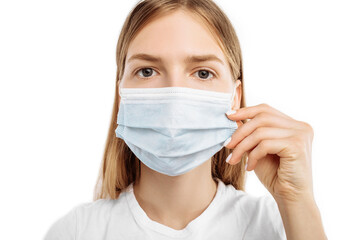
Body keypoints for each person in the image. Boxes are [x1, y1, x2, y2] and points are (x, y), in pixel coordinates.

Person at [44, 0, 328, 239]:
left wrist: (297, 199)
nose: (174, 96)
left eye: (203, 73)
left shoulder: (281, 226)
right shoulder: (77, 232)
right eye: (146, 71)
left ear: (234, 97)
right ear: (122, 94)